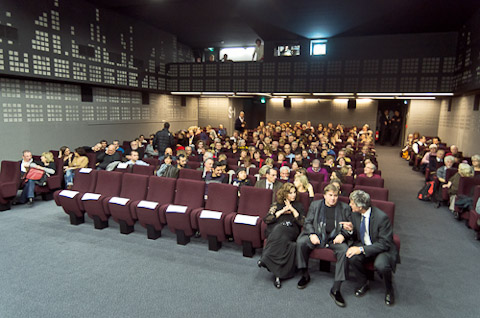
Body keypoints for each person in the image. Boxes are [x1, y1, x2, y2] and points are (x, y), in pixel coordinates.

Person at [295, 184, 351, 307]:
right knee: (300, 243)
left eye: (335, 196)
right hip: (318, 235)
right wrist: (312, 234)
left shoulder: (345, 207)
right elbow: (308, 222)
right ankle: (305, 274)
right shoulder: (315, 205)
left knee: (344, 250)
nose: (333, 198)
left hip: (334, 239)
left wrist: (343, 234)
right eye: (330, 195)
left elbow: (350, 226)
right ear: (324, 195)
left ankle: (336, 289)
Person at [342, 190, 399, 306]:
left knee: (381, 265)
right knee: (352, 257)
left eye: (352, 203)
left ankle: (389, 290)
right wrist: (351, 229)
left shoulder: (381, 217)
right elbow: (356, 235)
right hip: (365, 244)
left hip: (381, 248)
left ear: (360, 206)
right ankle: (363, 283)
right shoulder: (354, 214)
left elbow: (384, 243)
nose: (350, 205)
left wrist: (361, 249)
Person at [258, 183, 305, 288]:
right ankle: (278, 276)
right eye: (290, 193)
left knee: (280, 228)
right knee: (282, 237)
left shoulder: (299, 205)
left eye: (294, 192)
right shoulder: (276, 204)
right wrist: (282, 211)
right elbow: (267, 219)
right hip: (276, 231)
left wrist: (293, 210)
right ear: (284, 194)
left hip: (291, 229)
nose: (293, 195)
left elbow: (303, 222)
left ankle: (265, 257)